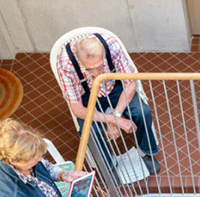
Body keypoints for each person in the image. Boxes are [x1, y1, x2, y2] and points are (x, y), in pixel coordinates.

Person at [55, 32, 161, 174]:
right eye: (89, 69)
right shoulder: (65, 64)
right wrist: (116, 120)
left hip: (116, 87)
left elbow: (130, 84)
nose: (96, 73)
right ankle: (109, 166)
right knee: (90, 132)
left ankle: (147, 152)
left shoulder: (112, 46)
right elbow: (78, 109)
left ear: (104, 54)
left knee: (142, 112)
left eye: (99, 66)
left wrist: (115, 116)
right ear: (79, 60)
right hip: (87, 94)